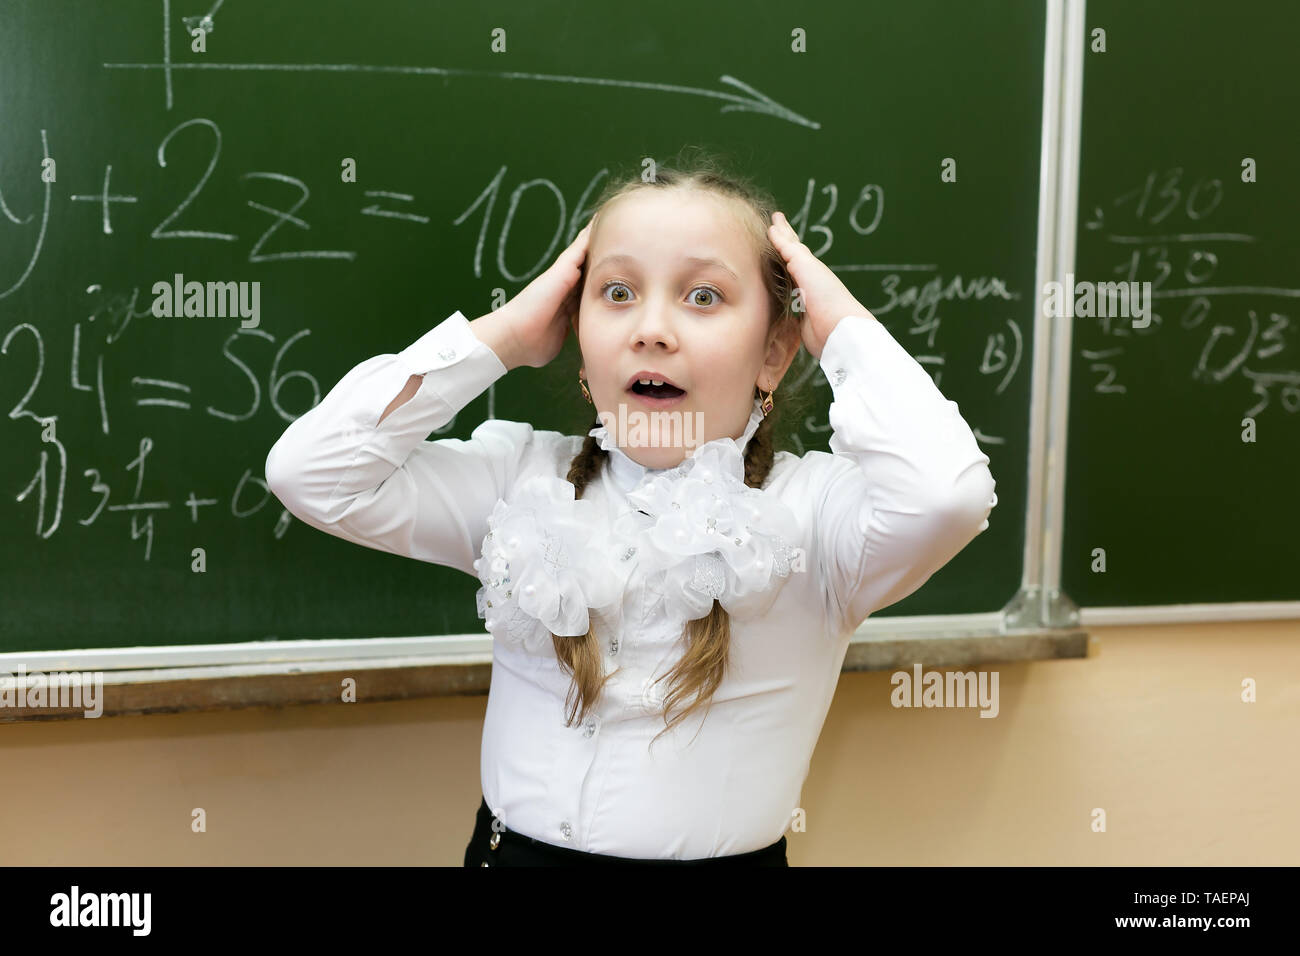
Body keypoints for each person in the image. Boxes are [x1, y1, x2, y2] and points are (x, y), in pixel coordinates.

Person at [264, 155, 998, 866]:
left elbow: (949, 494)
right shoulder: (519, 477)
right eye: (617, 293)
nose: (651, 328)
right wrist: (506, 337)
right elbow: (312, 475)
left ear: (774, 352)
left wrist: (839, 328)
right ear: (579, 343)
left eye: (703, 296)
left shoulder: (818, 520)